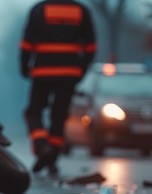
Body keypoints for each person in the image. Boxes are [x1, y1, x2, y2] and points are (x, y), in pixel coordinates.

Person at [19, 0, 96, 176]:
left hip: (42, 72)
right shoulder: (81, 10)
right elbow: (91, 46)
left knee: (33, 112)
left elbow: (27, 42)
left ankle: (41, 146)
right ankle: (52, 158)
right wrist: (80, 70)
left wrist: (25, 66)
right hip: (69, 74)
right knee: (59, 116)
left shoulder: (39, 10)